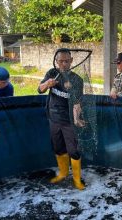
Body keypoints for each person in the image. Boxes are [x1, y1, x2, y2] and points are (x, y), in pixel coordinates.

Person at [38, 48, 86, 190]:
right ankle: (63, 173)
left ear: (71, 61)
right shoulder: (51, 73)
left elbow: (77, 102)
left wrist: (77, 119)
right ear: (56, 62)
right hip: (53, 118)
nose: (64, 64)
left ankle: (77, 179)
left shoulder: (77, 79)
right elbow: (40, 89)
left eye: (67, 61)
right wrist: (48, 84)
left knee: (74, 151)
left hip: (69, 121)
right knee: (58, 148)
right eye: (61, 61)